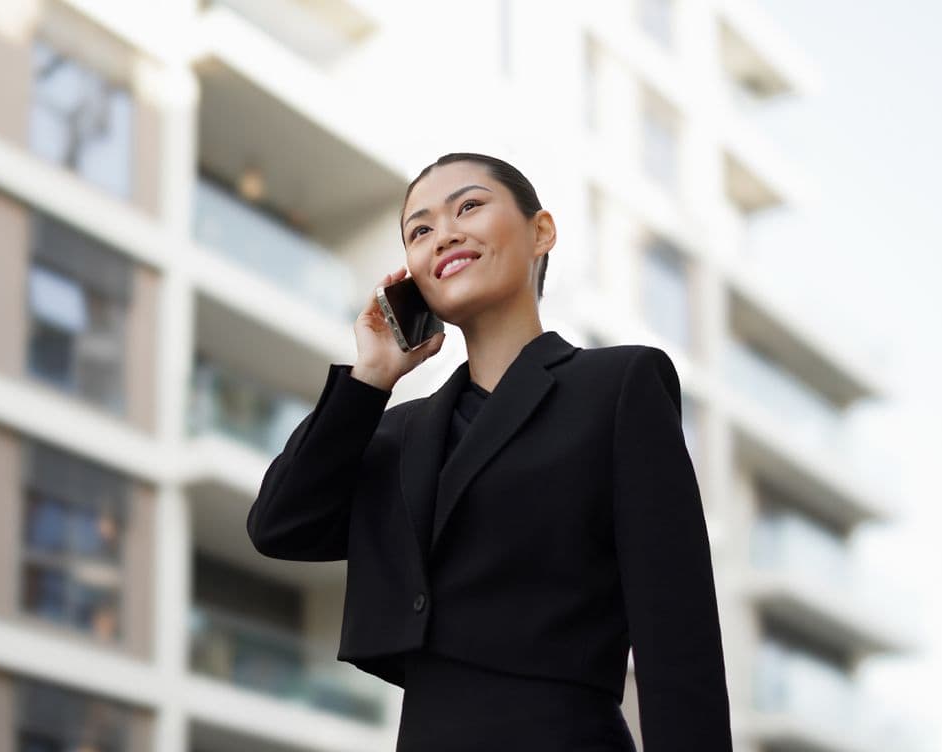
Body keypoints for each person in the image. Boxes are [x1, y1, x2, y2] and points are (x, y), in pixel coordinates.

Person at [247, 153, 732, 751]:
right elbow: (281, 526)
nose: (443, 234)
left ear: (541, 232)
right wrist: (371, 376)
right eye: (419, 231)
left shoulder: (619, 386)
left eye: (469, 207)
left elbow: (678, 637)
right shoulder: (397, 434)